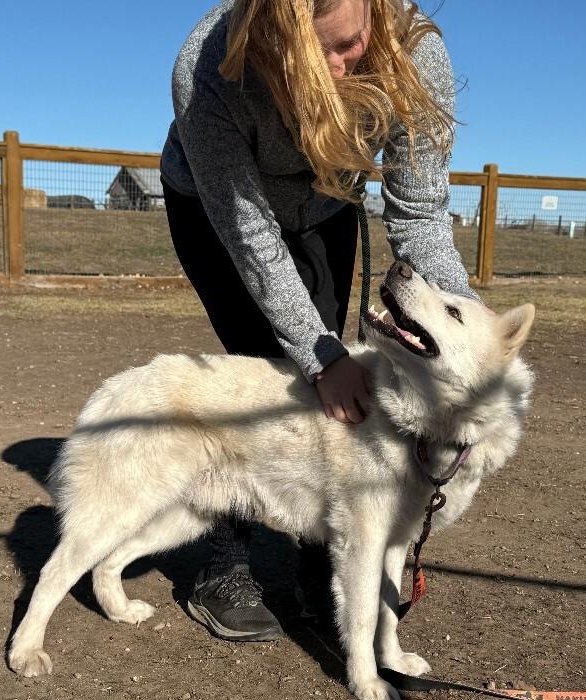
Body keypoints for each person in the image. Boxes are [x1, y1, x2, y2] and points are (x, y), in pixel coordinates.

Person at [160, 0, 477, 643]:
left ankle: (322, 548)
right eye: (306, 56)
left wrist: (467, 333)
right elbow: (252, 238)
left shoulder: (415, 49)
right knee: (267, 365)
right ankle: (227, 559)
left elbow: (419, 218)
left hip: (325, 203)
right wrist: (319, 354)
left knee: (339, 386)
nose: (334, 70)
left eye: (348, 44)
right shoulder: (208, 69)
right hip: (220, 212)